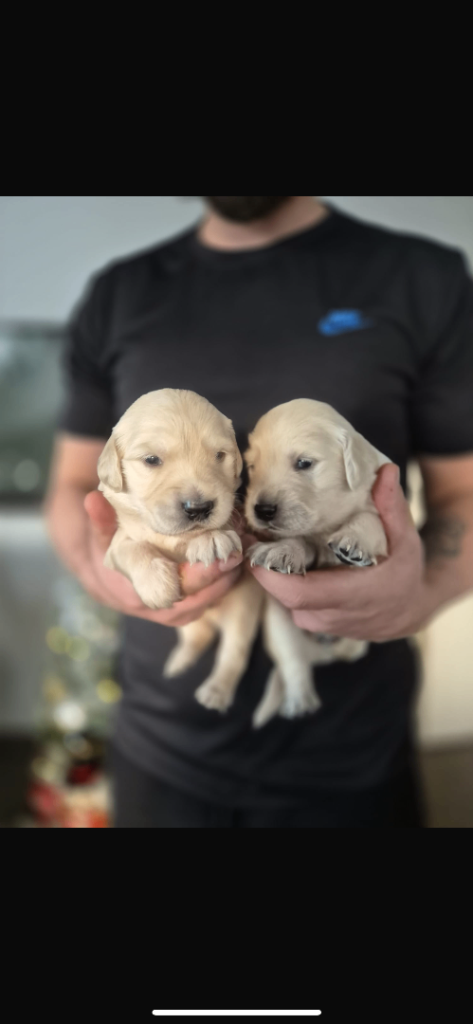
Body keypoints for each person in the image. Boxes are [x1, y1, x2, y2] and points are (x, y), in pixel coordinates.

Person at [45, 196, 473, 828]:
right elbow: (76, 483)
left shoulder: (422, 278)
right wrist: (104, 570)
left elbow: (463, 492)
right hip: (161, 746)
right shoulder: (119, 293)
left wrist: (423, 593)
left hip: (353, 751)